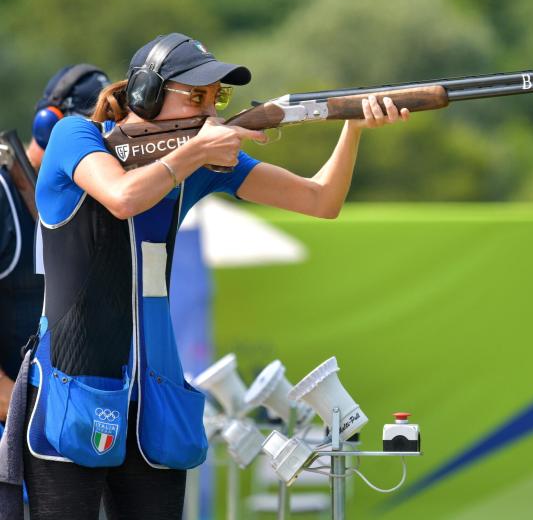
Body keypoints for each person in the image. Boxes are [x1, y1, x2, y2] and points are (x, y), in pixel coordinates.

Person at [20, 32, 409, 520]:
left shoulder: (202, 161)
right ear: (146, 93)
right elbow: (123, 198)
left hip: (156, 398)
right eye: (198, 96)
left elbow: (320, 200)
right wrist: (196, 152)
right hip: (72, 389)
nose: (210, 110)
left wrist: (351, 126)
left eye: (219, 98)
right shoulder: (76, 137)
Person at [0, 64, 109, 423]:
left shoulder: (87, 207)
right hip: (18, 428)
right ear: (47, 125)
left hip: (54, 426)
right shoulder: (3, 195)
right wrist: (30, 412)